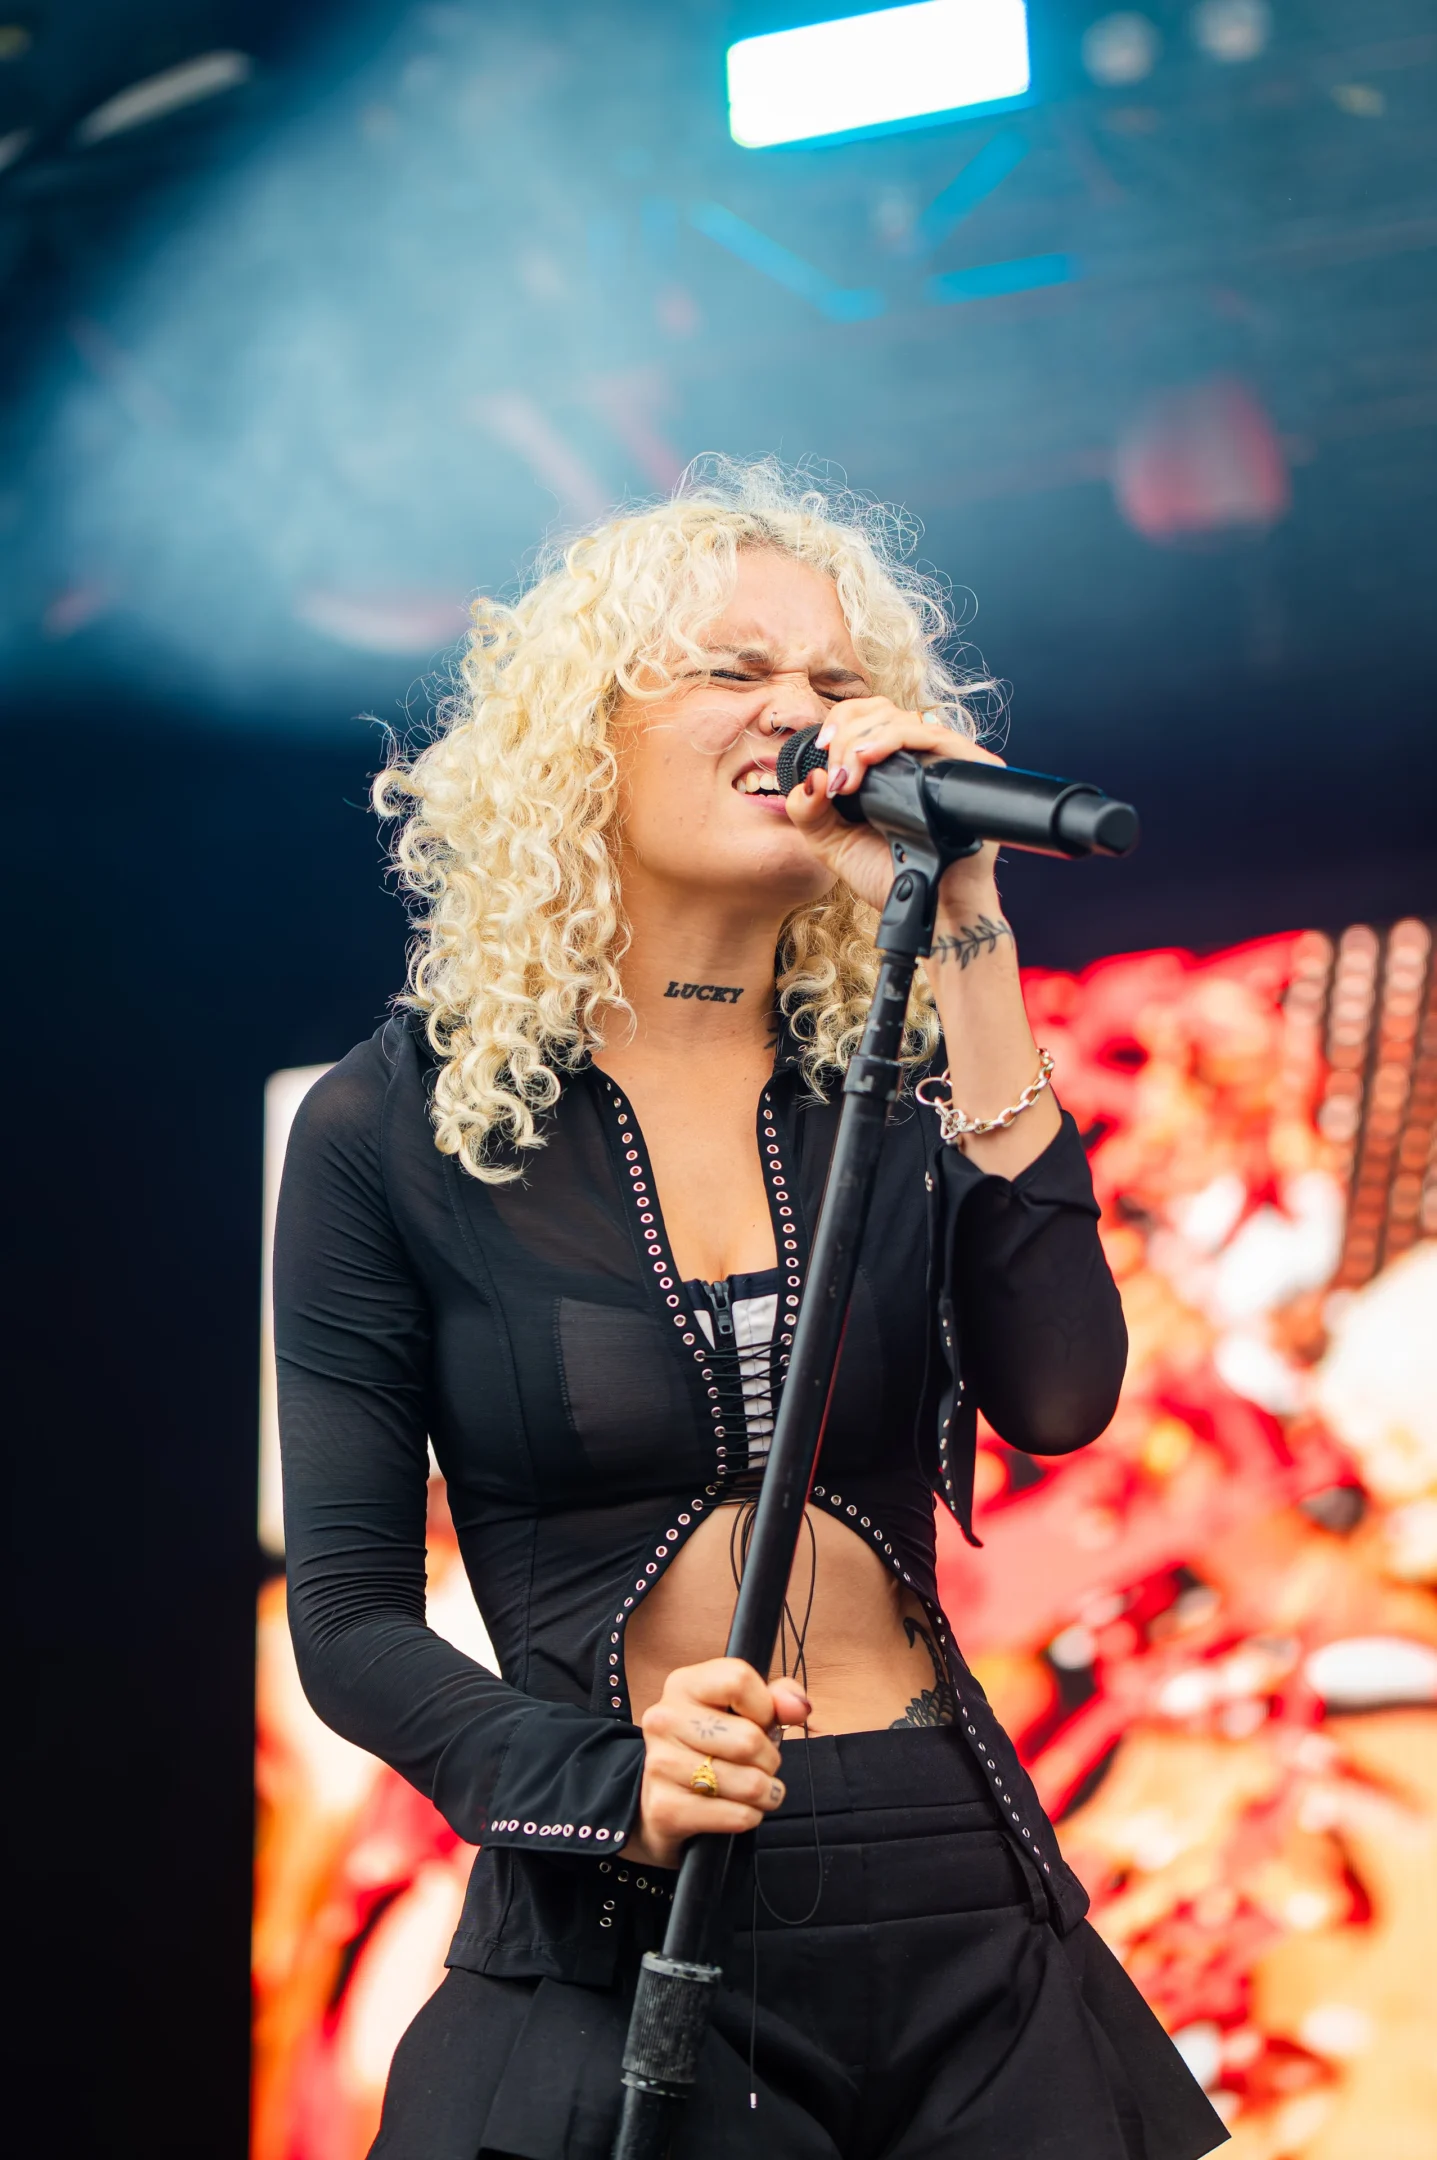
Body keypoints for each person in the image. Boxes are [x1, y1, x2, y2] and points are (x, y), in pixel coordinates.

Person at [276, 461, 1227, 2160]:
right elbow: (346, 1620)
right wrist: (603, 1783)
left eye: (840, 683)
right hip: (631, 1900)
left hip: (950, 1884)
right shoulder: (397, 1131)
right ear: (587, 738)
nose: (801, 714)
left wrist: (974, 948)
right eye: (734, 669)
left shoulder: (881, 1081)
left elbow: (1064, 1395)